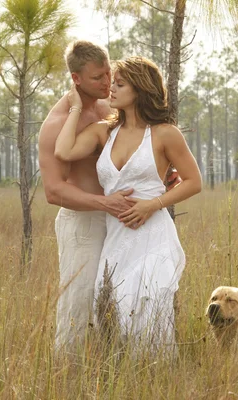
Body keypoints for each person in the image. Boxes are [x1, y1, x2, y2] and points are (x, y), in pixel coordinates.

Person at [54, 56, 202, 355]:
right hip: (116, 239)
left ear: (140, 89)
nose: (112, 89)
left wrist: (152, 204)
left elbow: (193, 181)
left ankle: (159, 373)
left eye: (120, 84)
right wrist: (75, 108)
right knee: (114, 305)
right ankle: (123, 374)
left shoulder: (165, 133)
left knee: (149, 303)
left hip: (153, 235)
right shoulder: (103, 132)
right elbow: (64, 150)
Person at [38, 41, 133, 352]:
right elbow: (54, 190)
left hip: (117, 219)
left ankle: (110, 374)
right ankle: (66, 377)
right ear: (76, 79)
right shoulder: (57, 124)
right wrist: (104, 203)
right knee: (77, 304)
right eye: (97, 78)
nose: (107, 83)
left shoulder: (109, 108)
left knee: (117, 301)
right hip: (82, 224)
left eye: (108, 73)